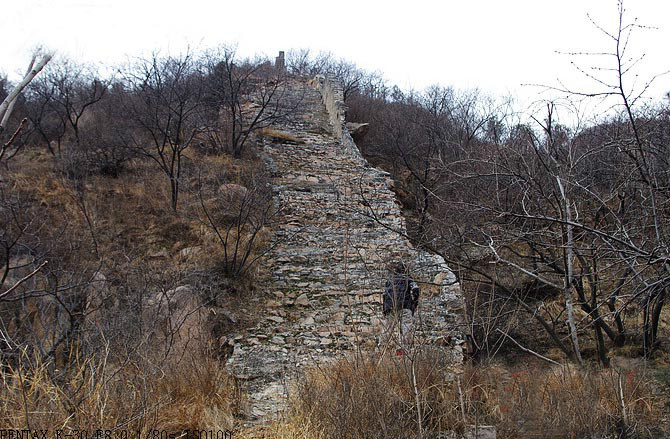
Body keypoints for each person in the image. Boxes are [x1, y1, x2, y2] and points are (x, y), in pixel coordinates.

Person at [382, 262, 420, 355]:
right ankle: (403, 348)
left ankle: (381, 346)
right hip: (405, 306)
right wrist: (414, 303)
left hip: (390, 307)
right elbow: (416, 290)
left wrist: (385, 309)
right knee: (406, 325)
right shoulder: (409, 279)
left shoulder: (389, 281)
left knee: (388, 327)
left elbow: (385, 295)